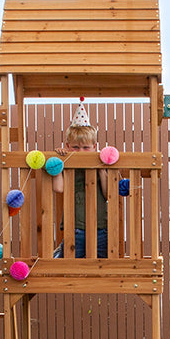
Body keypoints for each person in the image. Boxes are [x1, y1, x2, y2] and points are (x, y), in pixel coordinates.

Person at [52, 100, 108, 259]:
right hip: (75, 227)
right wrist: (59, 163)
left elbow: (108, 194)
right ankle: (59, 254)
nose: (81, 152)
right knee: (70, 264)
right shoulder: (68, 165)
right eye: (75, 147)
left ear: (94, 147)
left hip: (100, 227)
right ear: (67, 146)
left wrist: (101, 168)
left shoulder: (100, 164)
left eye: (86, 148)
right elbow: (58, 188)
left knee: (101, 265)